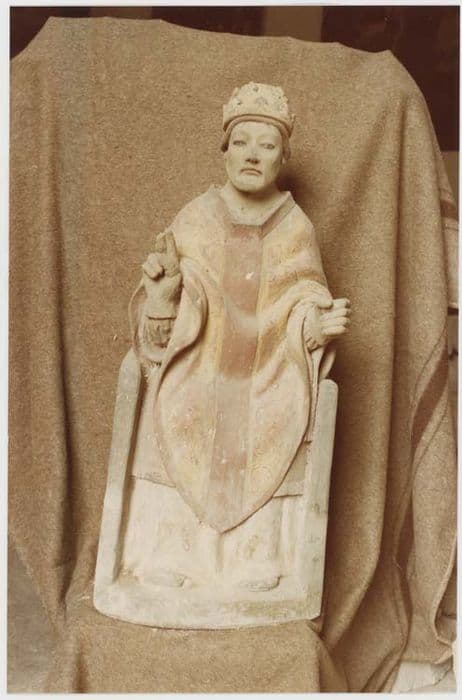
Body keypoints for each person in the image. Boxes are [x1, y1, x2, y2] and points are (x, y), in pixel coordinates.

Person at [121, 82, 350, 591]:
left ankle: (253, 551)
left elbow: (304, 296)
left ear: (283, 159)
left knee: (273, 416)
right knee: (181, 408)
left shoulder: (295, 227)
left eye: (267, 146)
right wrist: (163, 296)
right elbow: (161, 326)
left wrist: (314, 327)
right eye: (241, 142)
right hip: (198, 364)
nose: (252, 154)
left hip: (268, 370)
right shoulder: (195, 217)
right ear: (224, 151)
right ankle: (174, 548)